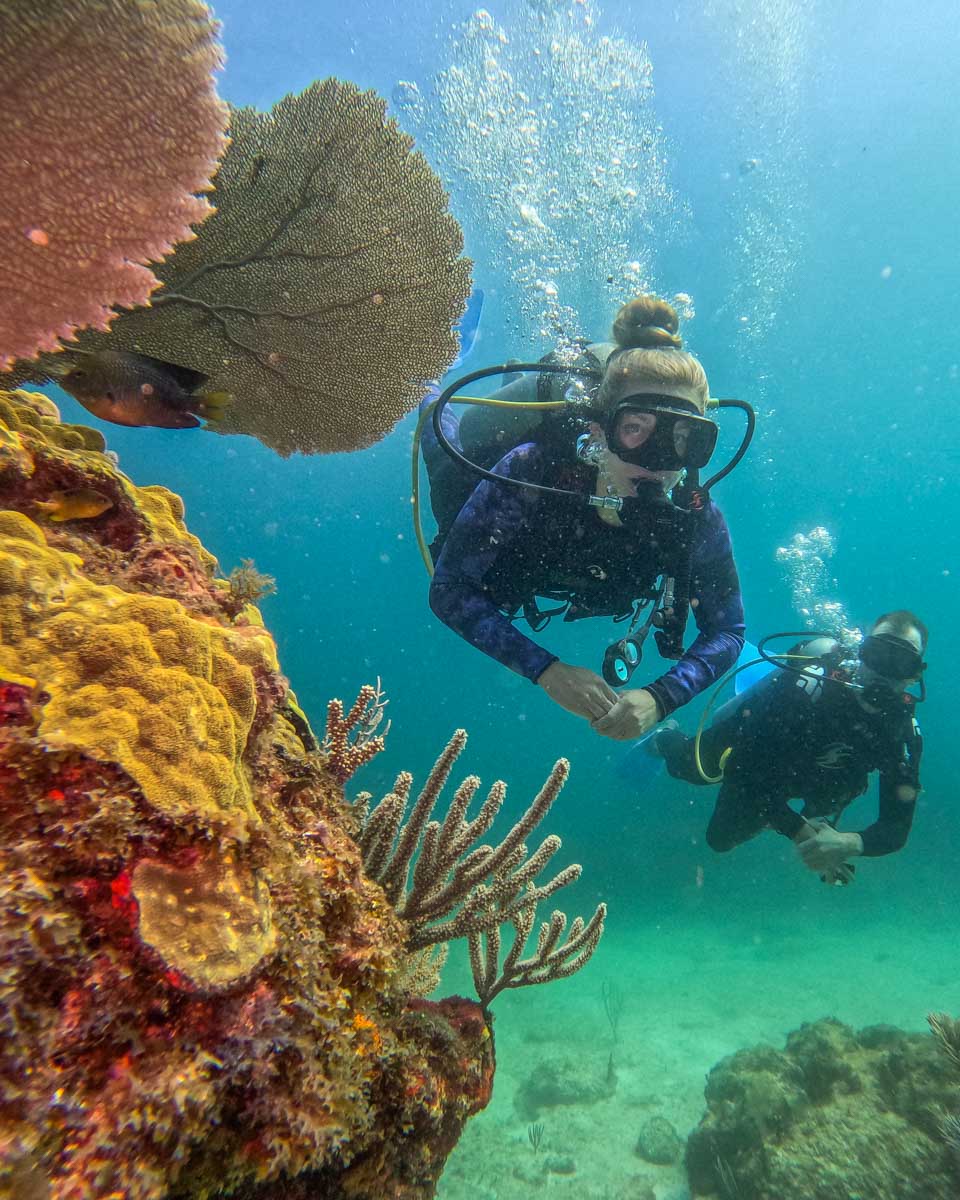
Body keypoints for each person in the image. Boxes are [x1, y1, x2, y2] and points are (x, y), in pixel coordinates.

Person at [425, 294, 746, 741]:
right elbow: (449, 590)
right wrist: (547, 671)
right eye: (635, 429)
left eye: (682, 437)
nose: (657, 462)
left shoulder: (697, 521)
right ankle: (429, 385)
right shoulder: (531, 471)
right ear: (599, 430)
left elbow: (728, 631)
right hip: (488, 496)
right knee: (443, 453)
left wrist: (662, 696)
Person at [651, 611, 927, 882]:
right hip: (753, 744)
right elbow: (741, 769)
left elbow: (896, 828)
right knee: (697, 786)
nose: (883, 673)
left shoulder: (900, 731)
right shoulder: (808, 688)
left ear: (913, 677)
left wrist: (847, 843)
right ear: (861, 652)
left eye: (901, 663)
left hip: (811, 775)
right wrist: (796, 829)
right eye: (878, 654)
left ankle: (773, 810)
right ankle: (663, 737)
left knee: (816, 799)